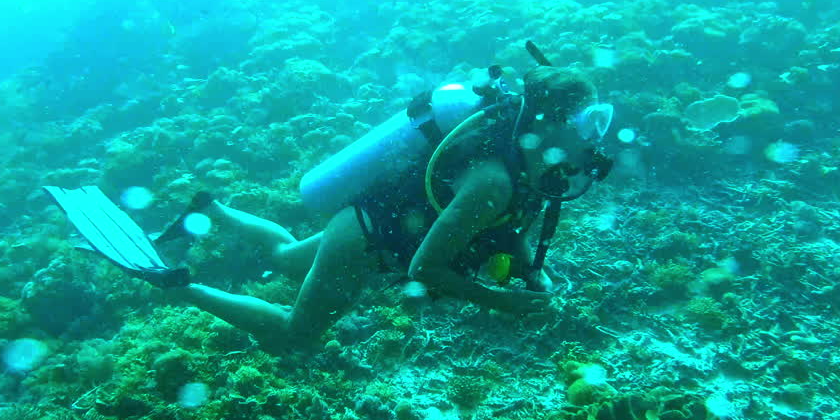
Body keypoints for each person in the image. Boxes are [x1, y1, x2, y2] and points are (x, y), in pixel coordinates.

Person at [45, 49, 614, 350]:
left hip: (365, 224)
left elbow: (508, 229)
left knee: (286, 257)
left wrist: (532, 277)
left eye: (600, 120)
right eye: (588, 121)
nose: (597, 135)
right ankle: (179, 284)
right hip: (370, 240)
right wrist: (503, 302)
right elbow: (427, 267)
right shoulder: (495, 178)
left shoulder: (532, 167)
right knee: (296, 334)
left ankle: (210, 208)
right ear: (550, 121)